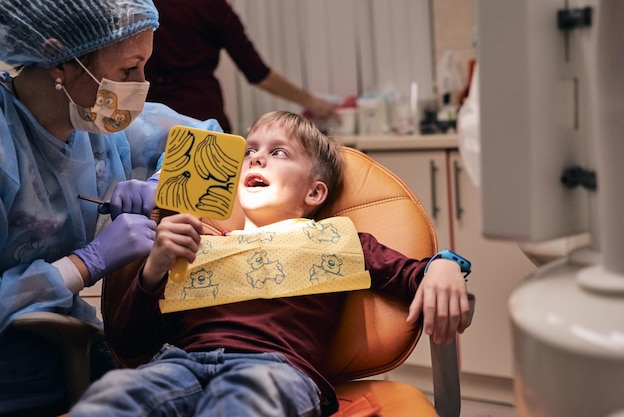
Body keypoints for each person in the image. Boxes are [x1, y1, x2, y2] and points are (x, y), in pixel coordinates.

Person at [69, 110, 471, 417]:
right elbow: (131, 344)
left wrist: (447, 265)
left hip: (274, 370)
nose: (257, 159)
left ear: (315, 192)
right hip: (180, 365)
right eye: (249, 151)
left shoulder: (338, 239)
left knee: (241, 401)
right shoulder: (195, 245)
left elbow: (416, 274)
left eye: (278, 152)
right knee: (113, 396)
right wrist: (153, 271)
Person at [0, 0, 224, 413]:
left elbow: (212, 141)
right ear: (58, 62)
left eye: (144, 67)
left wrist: (162, 184)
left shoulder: (100, 126)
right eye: (127, 71)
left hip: (73, 361)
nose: (143, 84)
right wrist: (84, 264)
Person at [144, 0, 337, 133]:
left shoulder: (141, 6)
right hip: (204, 122)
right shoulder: (211, 6)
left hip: (150, 123)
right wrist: (312, 102)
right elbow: (259, 73)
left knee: (148, 192)